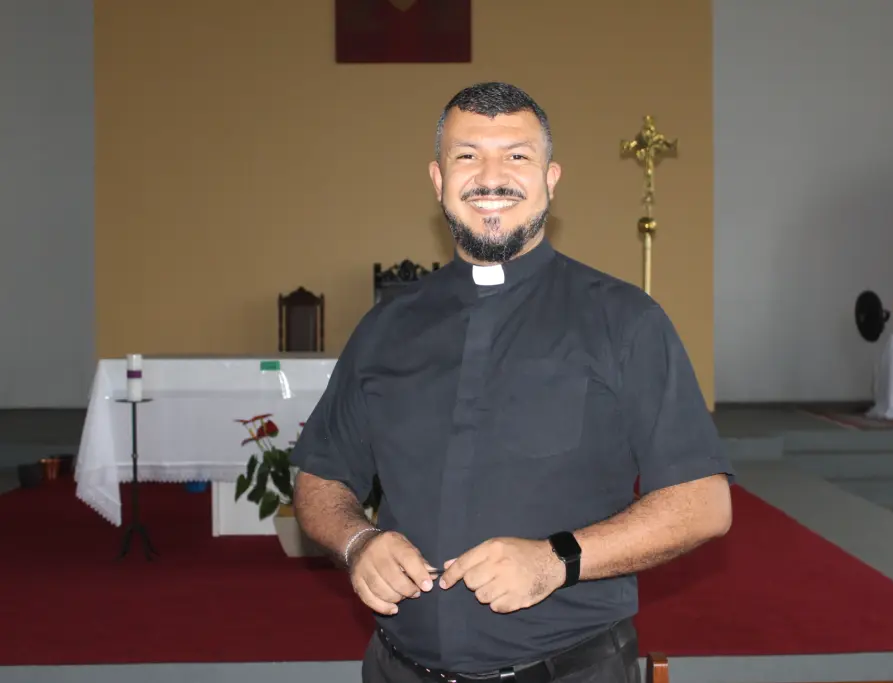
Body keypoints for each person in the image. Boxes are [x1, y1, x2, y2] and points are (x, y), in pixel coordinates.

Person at [290, 82, 734, 683]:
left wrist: (559, 560)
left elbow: (703, 504)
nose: (490, 175)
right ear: (437, 178)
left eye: (516, 156)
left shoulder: (624, 320)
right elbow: (320, 476)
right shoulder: (386, 328)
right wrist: (357, 541)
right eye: (467, 155)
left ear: (551, 178)